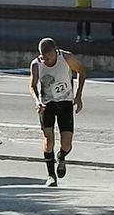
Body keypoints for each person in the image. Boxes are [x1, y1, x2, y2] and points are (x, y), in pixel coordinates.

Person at [29, 38, 86, 187]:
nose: (47, 60)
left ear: (55, 51)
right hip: (46, 104)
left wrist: (78, 96)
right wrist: (37, 101)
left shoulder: (66, 57)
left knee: (67, 144)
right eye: (44, 57)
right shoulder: (36, 65)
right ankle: (51, 175)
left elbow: (82, 71)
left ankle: (61, 156)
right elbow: (32, 86)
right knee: (48, 140)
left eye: (50, 56)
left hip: (65, 102)